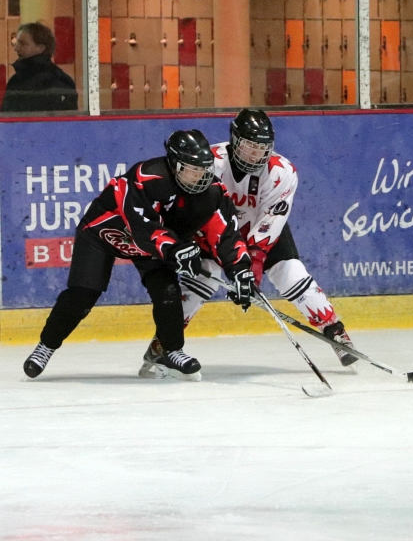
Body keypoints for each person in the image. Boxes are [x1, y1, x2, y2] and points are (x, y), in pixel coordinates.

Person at [22, 130, 253, 382]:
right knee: (82, 295)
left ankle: (172, 351)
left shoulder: (213, 193)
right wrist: (176, 249)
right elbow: (142, 228)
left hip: (155, 246)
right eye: (191, 169)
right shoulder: (147, 178)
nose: (199, 176)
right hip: (105, 233)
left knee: (168, 292)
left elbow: (226, 235)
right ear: (174, 165)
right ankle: (46, 346)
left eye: (204, 169)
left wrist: (240, 270)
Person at [140, 109, 358, 375]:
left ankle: (335, 331)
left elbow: (270, 222)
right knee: (203, 280)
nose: (255, 155)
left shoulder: (283, 172)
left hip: (260, 229)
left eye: (262, 148)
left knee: (291, 273)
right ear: (234, 140)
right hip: (214, 231)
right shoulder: (210, 162)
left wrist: (251, 267)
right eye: (249, 147)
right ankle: (164, 344)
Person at [1, 22, 79, 112]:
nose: (16, 48)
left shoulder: (58, 80)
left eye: (22, 43)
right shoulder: (16, 80)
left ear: (41, 48)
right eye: (16, 43)